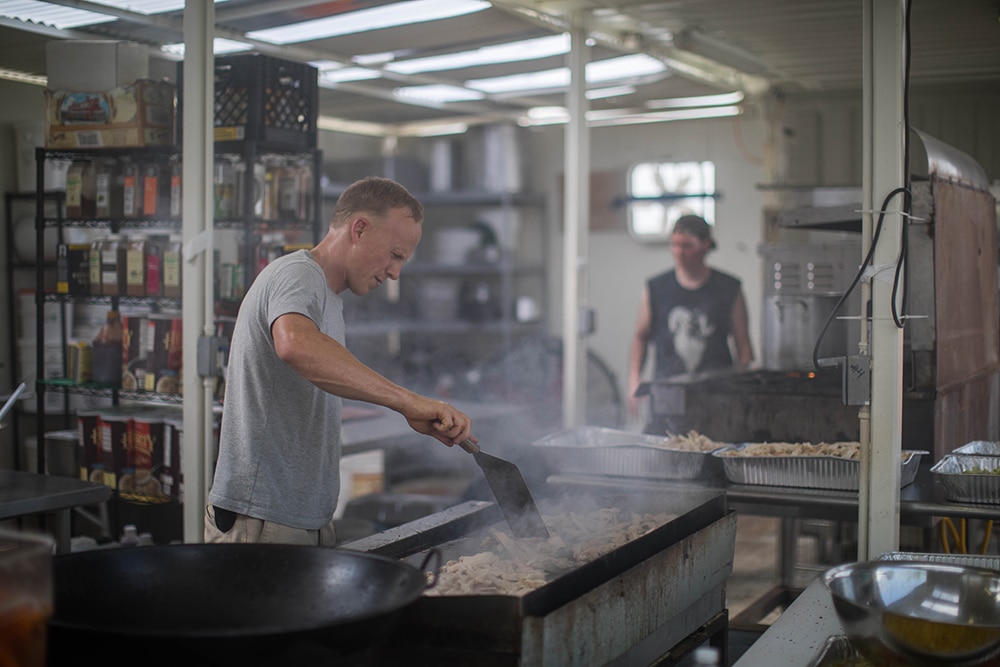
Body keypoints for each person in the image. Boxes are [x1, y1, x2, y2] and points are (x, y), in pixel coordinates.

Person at [205, 176, 474, 546]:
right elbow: (296, 345)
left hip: (298, 518)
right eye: (395, 255)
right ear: (359, 229)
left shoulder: (329, 296)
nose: (395, 272)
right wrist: (407, 401)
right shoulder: (298, 274)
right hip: (262, 520)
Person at [627, 214, 753, 425]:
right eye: (674, 245)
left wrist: (744, 391)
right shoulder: (657, 288)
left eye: (687, 246)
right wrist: (634, 380)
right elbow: (640, 336)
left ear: (705, 245)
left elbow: (743, 345)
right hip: (667, 393)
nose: (679, 252)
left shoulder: (728, 287)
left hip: (717, 394)